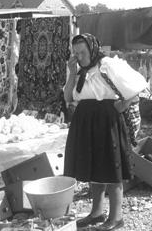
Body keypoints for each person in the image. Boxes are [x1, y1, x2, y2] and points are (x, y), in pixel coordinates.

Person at [63, 33, 147, 230]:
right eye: (76, 53)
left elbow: (138, 85)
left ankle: (116, 217)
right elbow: (68, 97)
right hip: (85, 119)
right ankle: (96, 213)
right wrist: (72, 72)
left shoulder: (107, 64)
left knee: (110, 166)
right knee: (94, 167)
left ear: (92, 49)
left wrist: (122, 106)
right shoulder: (79, 70)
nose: (79, 56)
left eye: (82, 52)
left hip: (106, 119)